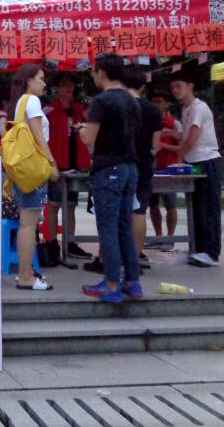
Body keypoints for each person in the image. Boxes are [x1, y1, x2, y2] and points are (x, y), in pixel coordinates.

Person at [79, 53, 142, 303]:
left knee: (107, 227)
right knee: (124, 226)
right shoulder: (132, 100)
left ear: (102, 72)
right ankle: (132, 281)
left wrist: (82, 130)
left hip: (108, 170)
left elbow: (89, 138)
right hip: (130, 168)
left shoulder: (101, 101)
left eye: (94, 71)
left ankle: (112, 283)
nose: (93, 75)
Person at [9, 64, 59, 291]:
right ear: (29, 80)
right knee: (29, 224)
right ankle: (25, 277)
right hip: (34, 169)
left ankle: (26, 271)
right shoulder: (33, 101)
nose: (44, 83)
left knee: (26, 223)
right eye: (40, 78)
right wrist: (52, 163)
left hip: (22, 171)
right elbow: (39, 136)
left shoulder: (20, 102)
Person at [169, 72, 223, 268]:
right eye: (172, 87)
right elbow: (183, 137)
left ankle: (211, 253)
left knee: (209, 208)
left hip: (207, 160)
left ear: (190, 85)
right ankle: (198, 248)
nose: (175, 90)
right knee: (196, 207)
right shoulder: (185, 109)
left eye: (178, 86)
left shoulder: (199, 107)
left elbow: (191, 139)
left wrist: (179, 161)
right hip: (193, 162)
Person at [43, 73, 92, 261]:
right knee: (53, 205)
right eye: (64, 83)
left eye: (70, 83)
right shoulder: (48, 111)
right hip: (56, 165)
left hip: (76, 165)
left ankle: (70, 244)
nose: (68, 87)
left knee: (71, 206)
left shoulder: (80, 110)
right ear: (56, 88)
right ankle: (51, 244)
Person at [123, 67, 162, 270]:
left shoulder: (118, 105)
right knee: (139, 212)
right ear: (143, 86)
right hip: (145, 163)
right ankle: (135, 258)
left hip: (121, 163)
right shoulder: (153, 109)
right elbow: (156, 144)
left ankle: (115, 257)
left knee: (119, 212)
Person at [149, 90, 183, 249]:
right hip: (151, 168)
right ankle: (158, 237)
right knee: (152, 205)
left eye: (159, 101)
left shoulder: (174, 124)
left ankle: (170, 238)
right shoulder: (147, 122)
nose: (156, 105)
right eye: (153, 101)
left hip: (169, 169)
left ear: (167, 104)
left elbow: (181, 147)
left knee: (170, 204)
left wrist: (163, 145)